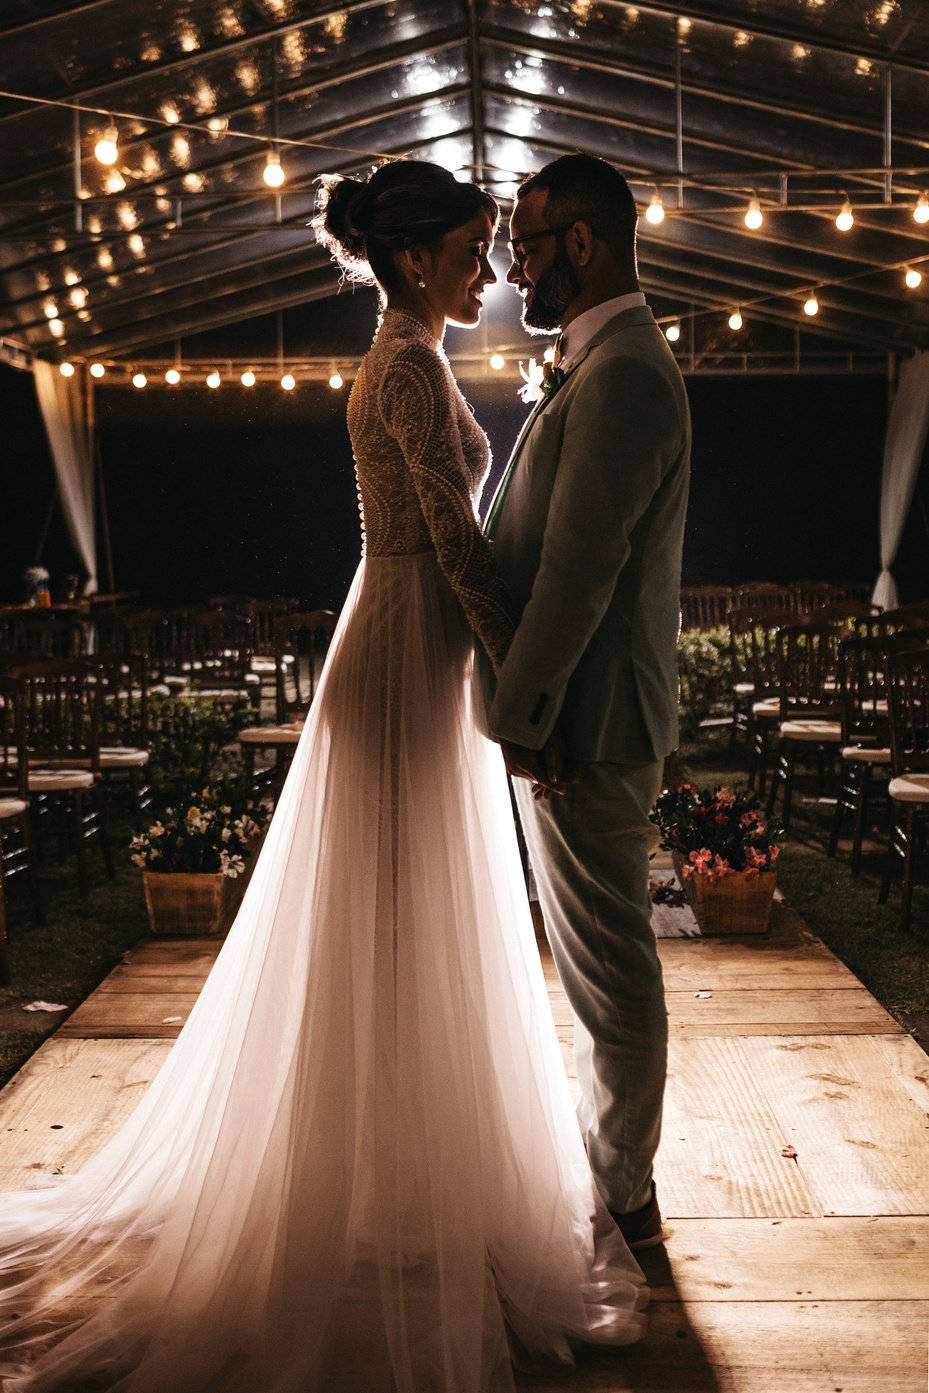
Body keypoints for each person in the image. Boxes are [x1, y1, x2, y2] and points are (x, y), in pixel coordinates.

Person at [0, 160, 646, 1393]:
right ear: (411, 261)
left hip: (409, 644)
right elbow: (454, 544)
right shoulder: (404, 365)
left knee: (408, 925)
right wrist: (526, 694)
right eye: (466, 250)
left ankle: (399, 1172)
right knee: (400, 922)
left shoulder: (416, 352)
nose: (484, 270)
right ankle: (382, 1186)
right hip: (403, 651)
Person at [482, 154, 691, 1250]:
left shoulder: (622, 375)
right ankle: (608, 1175)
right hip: (570, 716)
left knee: (610, 972)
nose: (515, 261)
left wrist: (527, 719)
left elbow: (576, 573)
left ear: (582, 241)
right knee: (593, 964)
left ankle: (625, 1198)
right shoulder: (595, 361)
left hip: (585, 726)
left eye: (528, 238)